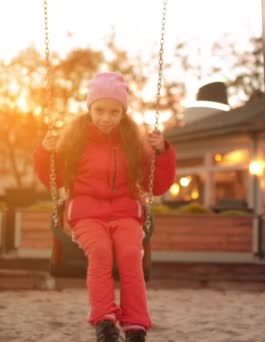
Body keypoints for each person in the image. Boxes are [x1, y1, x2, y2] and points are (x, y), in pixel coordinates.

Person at [33, 72, 176, 342]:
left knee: (131, 254)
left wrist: (163, 152)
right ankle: (105, 322)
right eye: (99, 110)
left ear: (123, 112)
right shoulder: (75, 140)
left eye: (114, 111)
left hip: (125, 213)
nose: (106, 117)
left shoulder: (134, 142)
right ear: (89, 108)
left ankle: (135, 326)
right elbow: (55, 179)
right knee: (100, 252)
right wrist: (44, 152)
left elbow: (156, 186)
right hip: (86, 214)